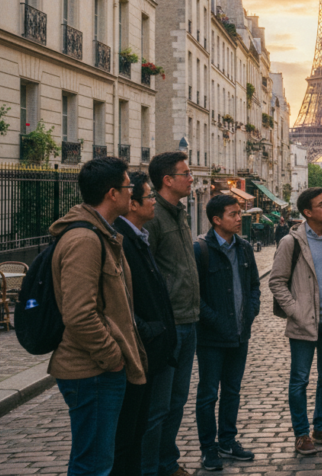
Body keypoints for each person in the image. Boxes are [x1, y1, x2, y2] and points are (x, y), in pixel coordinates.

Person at [48, 157, 147, 476]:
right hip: (92, 371)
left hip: (96, 370)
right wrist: (113, 357)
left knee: (96, 459)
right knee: (93, 464)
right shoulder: (85, 240)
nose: (132, 193)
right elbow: (79, 314)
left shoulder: (99, 234)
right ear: (112, 193)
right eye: (128, 186)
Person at [269, 187, 322, 456]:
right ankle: (301, 434)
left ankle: (321, 428)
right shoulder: (291, 242)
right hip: (304, 324)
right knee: (300, 380)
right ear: (307, 212)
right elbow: (276, 281)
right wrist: (297, 311)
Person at [111, 172, 177, 476]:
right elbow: (114, 301)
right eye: (149, 197)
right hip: (141, 347)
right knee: (135, 429)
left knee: (146, 422)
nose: (154, 201)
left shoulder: (138, 238)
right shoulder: (121, 241)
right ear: (132, 203)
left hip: (152, 344)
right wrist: (149, 330)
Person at [193, 195, 261, 470]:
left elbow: (255, 285)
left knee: (232, 391)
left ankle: (228, 440)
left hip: (239, 333)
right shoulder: (200, 250)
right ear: (216, 220)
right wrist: (216, 321)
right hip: (211, 337)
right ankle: (208, 448)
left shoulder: (244, 248)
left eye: (239, 213)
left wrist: (251, 312)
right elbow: (194, 295)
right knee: (208, 394)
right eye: (233, 214)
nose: (239, 218)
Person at [144, 151, 200, 476]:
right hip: (168, 326)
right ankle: (150, 467)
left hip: (188, 321)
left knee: (177, 401)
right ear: (168, 180)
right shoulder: (153, 219)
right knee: (158, 407)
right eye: (186, 172)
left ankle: (167, 462)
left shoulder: (181, 214)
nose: (191, 177)